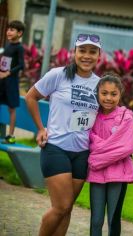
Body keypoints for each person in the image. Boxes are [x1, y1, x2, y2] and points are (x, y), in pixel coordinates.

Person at [25, 33, 102, 236]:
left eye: (92, 52)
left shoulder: (100, 84)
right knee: (61, 206)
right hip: (56, 148)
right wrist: (41, 128)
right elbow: (31, 97)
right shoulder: (58, 75)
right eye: (82, 51)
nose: (87, 56)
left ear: (98, 55)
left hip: (82, 153)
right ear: (74, 53)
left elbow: (112, 111)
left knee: (66, 209)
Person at [87, 74, 133, 236]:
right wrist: (110, 147)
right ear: (98, 94)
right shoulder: (91, 116)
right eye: (104, 93)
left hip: (118, 176)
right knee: (96, 220)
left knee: (113, 220)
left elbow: (126, 146)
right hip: (97, 175)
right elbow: (88, 140)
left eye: (113, 94)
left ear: (120, 94)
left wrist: (96, 157)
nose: (108, 98)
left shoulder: (126, 116)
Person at [0, 20, 25, 144]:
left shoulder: (19, 48)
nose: (8, 31)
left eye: (12, 30)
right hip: (1, 82)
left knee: (12, 109)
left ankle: (11, 136)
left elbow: (21, 65)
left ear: (19, 33)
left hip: (11, 82)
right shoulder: (7, 45)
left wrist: (7, 73)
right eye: (8, 29)